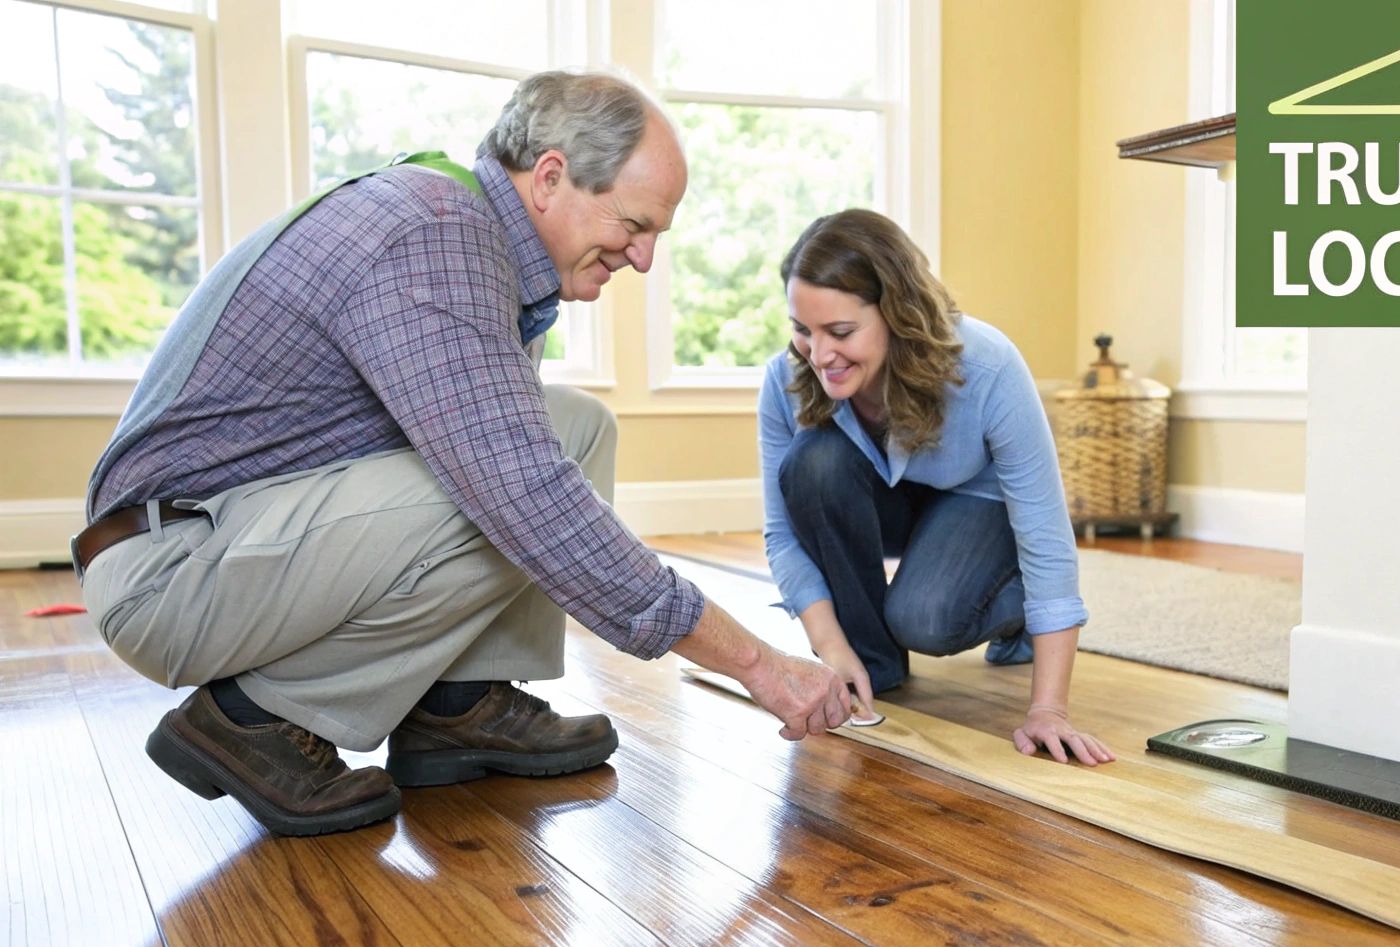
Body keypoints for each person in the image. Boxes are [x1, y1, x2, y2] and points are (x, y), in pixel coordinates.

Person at [75, 71, 858, 837]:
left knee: (574, 427)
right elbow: (533, 506)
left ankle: (461, 705)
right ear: (550, 177)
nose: (644, 258)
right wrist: (758, 665)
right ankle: (251, 720)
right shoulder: (436, 235)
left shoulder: (476, 240)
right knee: (508, 485)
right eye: (635, 225)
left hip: (236, 542)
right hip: (171, 573)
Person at [759, 209, 1114, 765]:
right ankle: (872, 665)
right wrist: (830, 649)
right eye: (803, 329)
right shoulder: (786, 380)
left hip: (978, 503)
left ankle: (1015, 612)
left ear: (896, 313)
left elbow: (1045, 528)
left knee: (924, 619)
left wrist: (1050, 710)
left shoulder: (988, 364)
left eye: (842, 332)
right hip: (890, 506)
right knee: (815, 463)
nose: (820, 354)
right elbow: (783, 534)